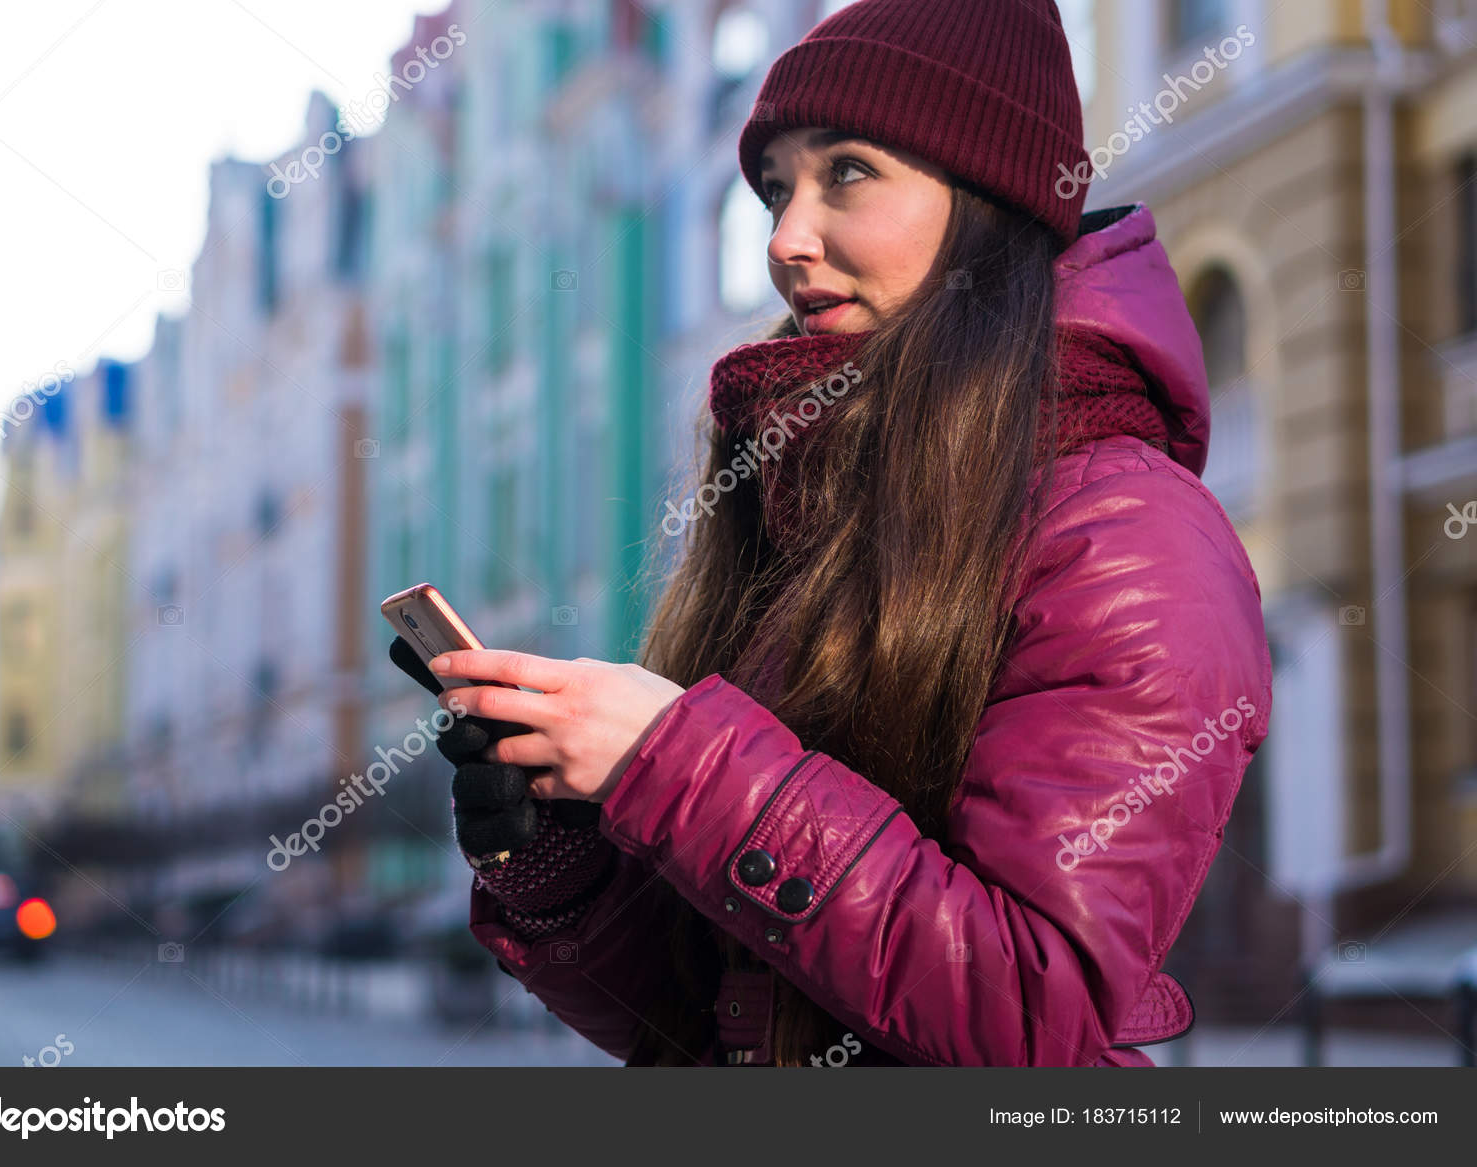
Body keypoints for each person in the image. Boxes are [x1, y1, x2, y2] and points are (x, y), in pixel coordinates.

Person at [390, 0, 1272, 1067]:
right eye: (773, 189)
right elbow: (704, 1025)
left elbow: (1032, 1011)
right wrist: (559, 855)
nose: (783, 239)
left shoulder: (1127, 538)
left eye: (846, 172)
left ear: (988, 200)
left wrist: (672, 765)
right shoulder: (809, 501)